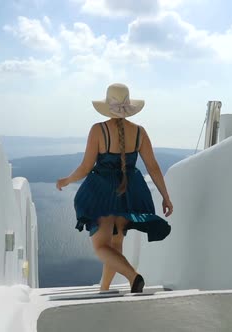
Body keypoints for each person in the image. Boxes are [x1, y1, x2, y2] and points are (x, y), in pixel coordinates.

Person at [56, 83, 173, 293]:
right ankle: (105, 289)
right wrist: (165, 196)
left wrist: (66, 180)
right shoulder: (139, 132)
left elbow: (85, 167)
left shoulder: (98, 130)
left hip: (101, 192)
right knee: (116, 243)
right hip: (130, 190)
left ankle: (132, 276)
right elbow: (153, 167)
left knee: (102, 246)